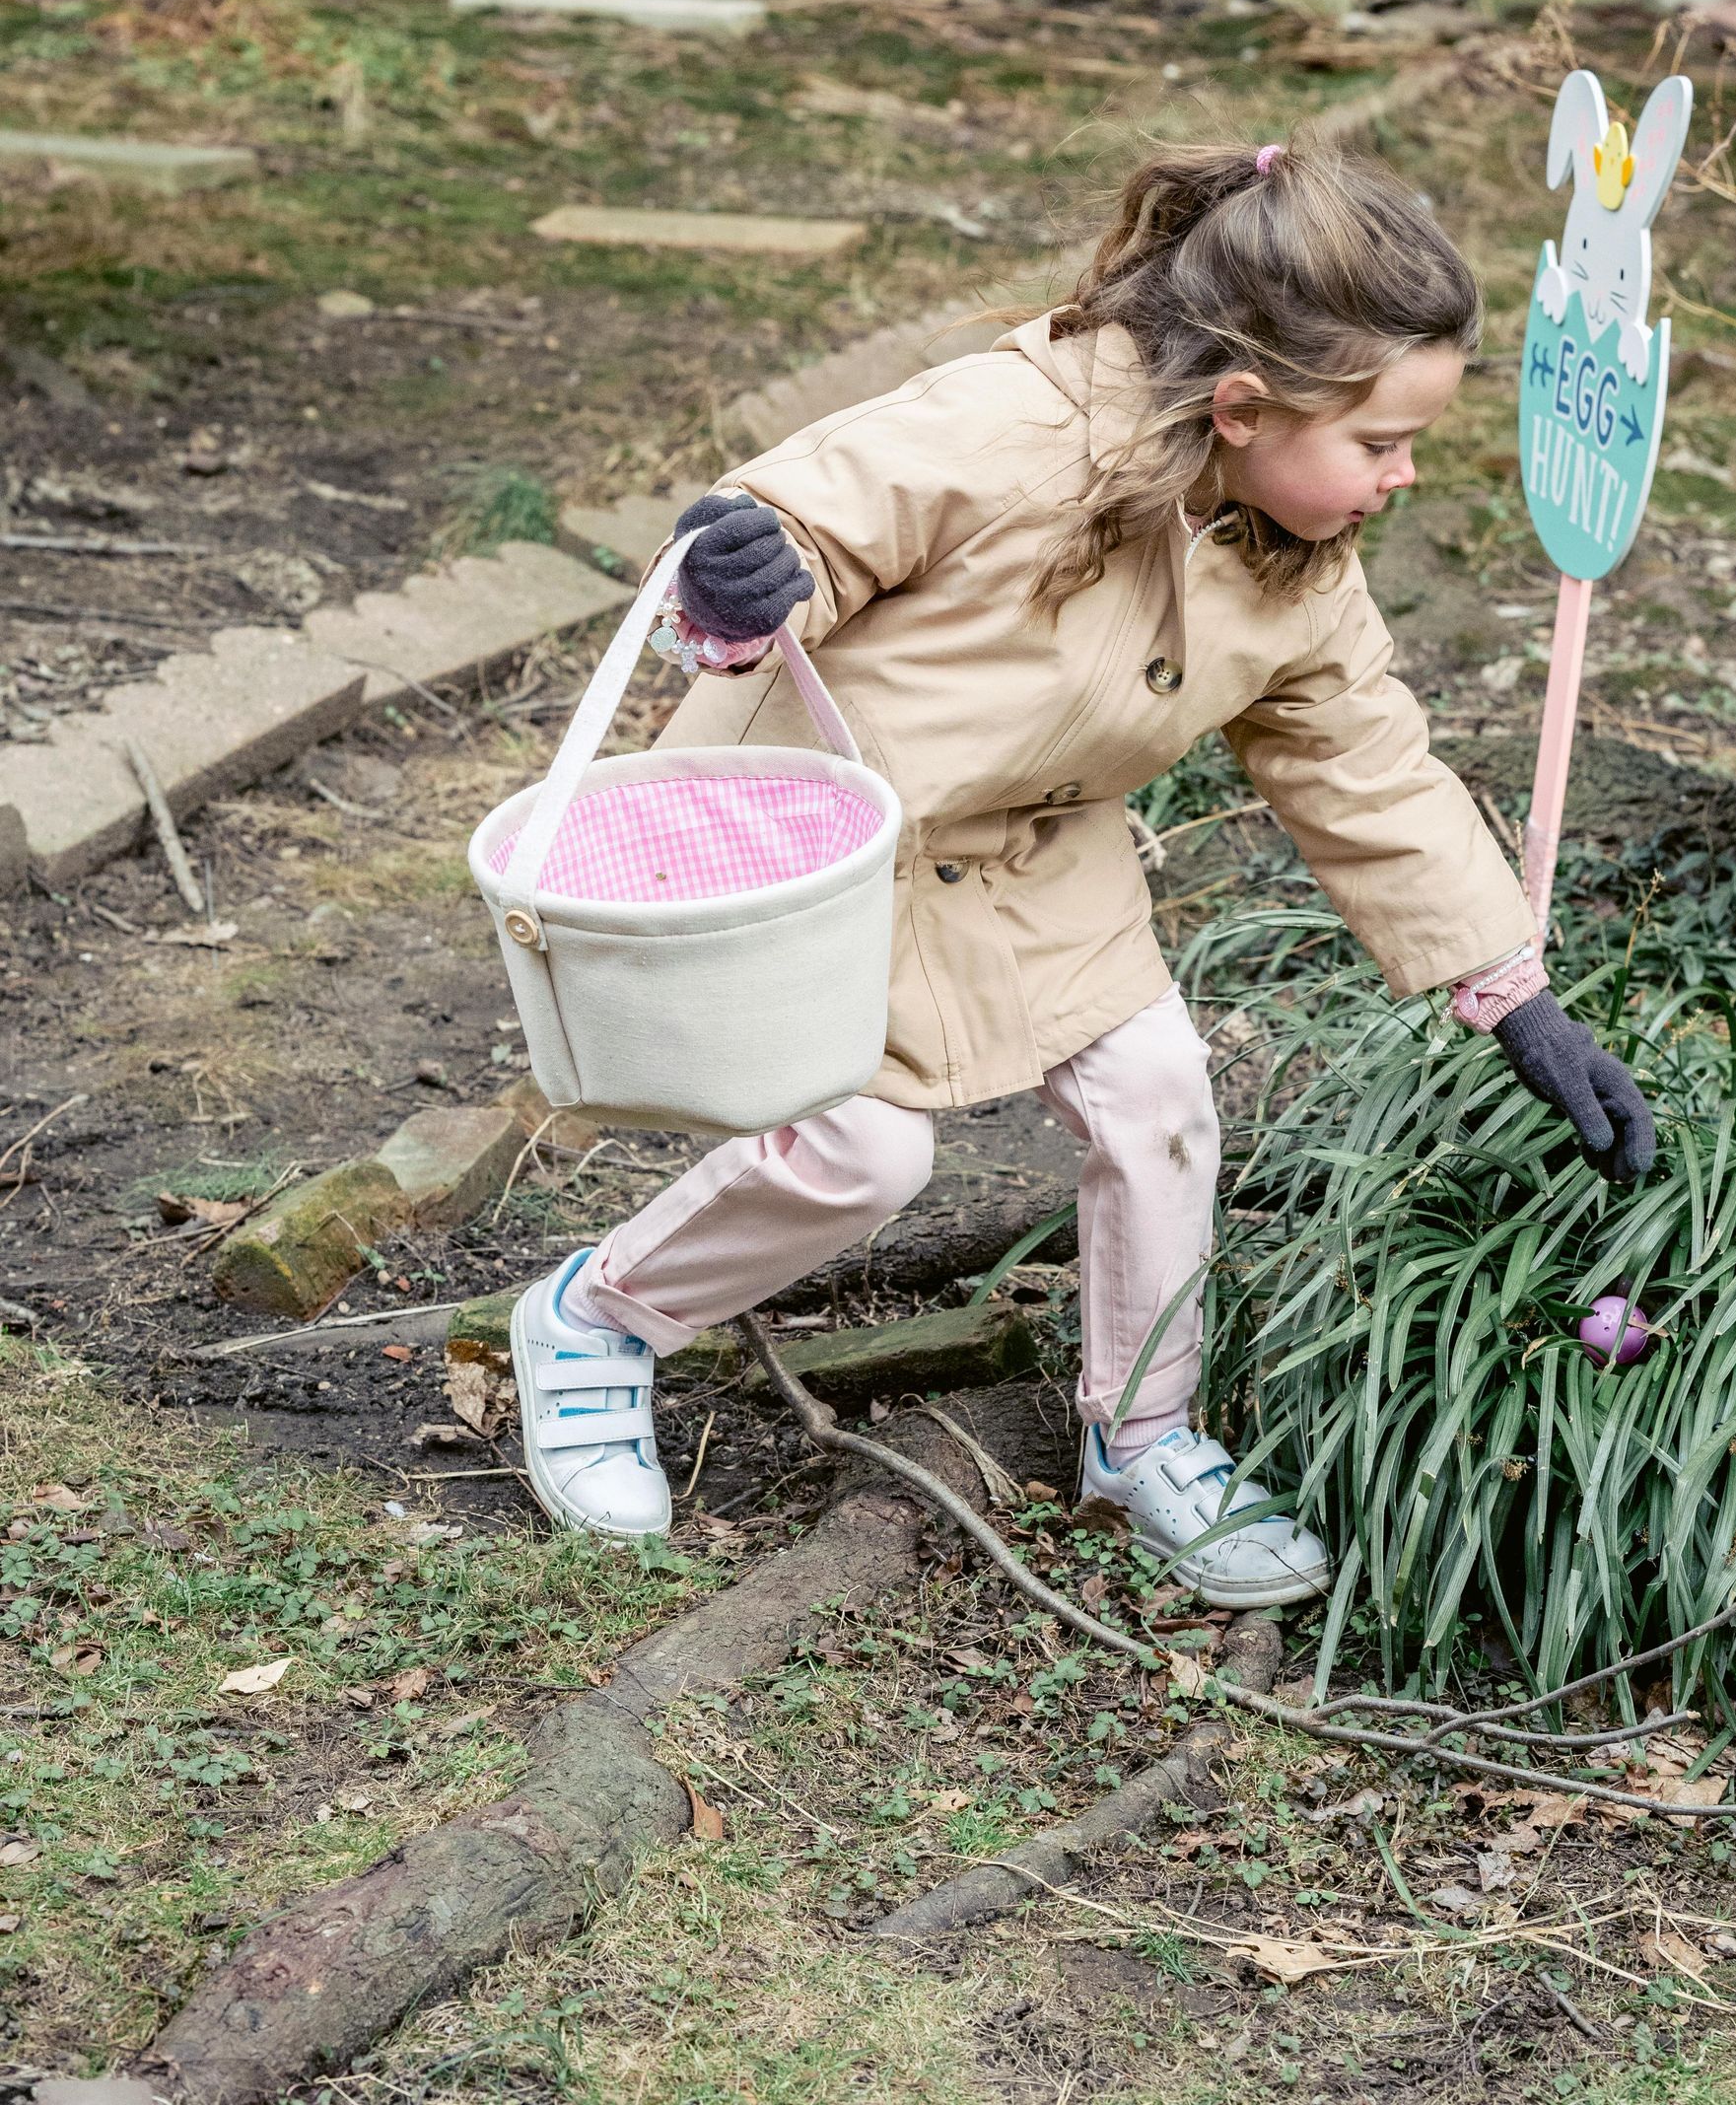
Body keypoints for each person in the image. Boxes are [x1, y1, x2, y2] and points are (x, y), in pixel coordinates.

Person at [509, 138, 1654, 1608]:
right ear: (1243, 408)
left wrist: (1512, 995)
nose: (1403, 476)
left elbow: (1363, 760)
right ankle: (599, 1318)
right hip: (820, 838)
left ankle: (1144, 1430)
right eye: (1379, 442)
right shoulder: (1010, 428)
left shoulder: (1292, 552)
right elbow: (806, 513)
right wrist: (749, 575)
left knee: (1162, 1097)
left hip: (1036, 853)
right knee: (865, 1154)